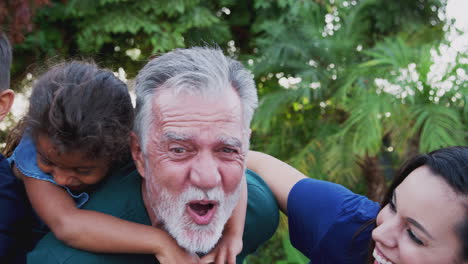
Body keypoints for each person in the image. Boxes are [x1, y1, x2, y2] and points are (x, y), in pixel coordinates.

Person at [28, 47, 279, 264]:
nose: (60, 179)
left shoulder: (258, 210)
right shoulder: (34, 153)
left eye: (225, 149)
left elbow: (239, 175)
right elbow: (67, 223)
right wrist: (161, 242)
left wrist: (234, 236)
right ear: (137, 153)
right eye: (179, 150)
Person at [246, 147, 468, 264]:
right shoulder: (351, 226)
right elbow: (255, 163)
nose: (380, 233)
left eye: (414, 235)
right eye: (392, 206)